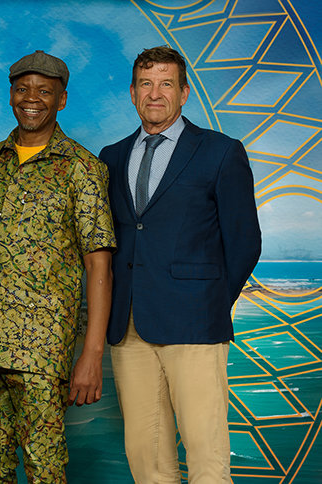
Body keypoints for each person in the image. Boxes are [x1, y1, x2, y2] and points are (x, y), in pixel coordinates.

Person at [100, 45, 261, 483]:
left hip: (195, 326)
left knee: (206, 454)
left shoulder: (221, 152)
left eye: (166, 84)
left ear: (184, 92)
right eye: (146, 84)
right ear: (133, 93)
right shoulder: (111, 157)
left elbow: (245, 242)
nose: (155, 94)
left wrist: (209, 303)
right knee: (146, 458)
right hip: (129, 327)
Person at [0, 50, 115, 482]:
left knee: (45, 471)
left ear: (61, 99)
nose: (31, 98)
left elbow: (99, 266)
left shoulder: (82, 168)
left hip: (40, 354)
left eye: (44, 91)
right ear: (11, 95)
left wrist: (92, 354)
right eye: (22, 89)